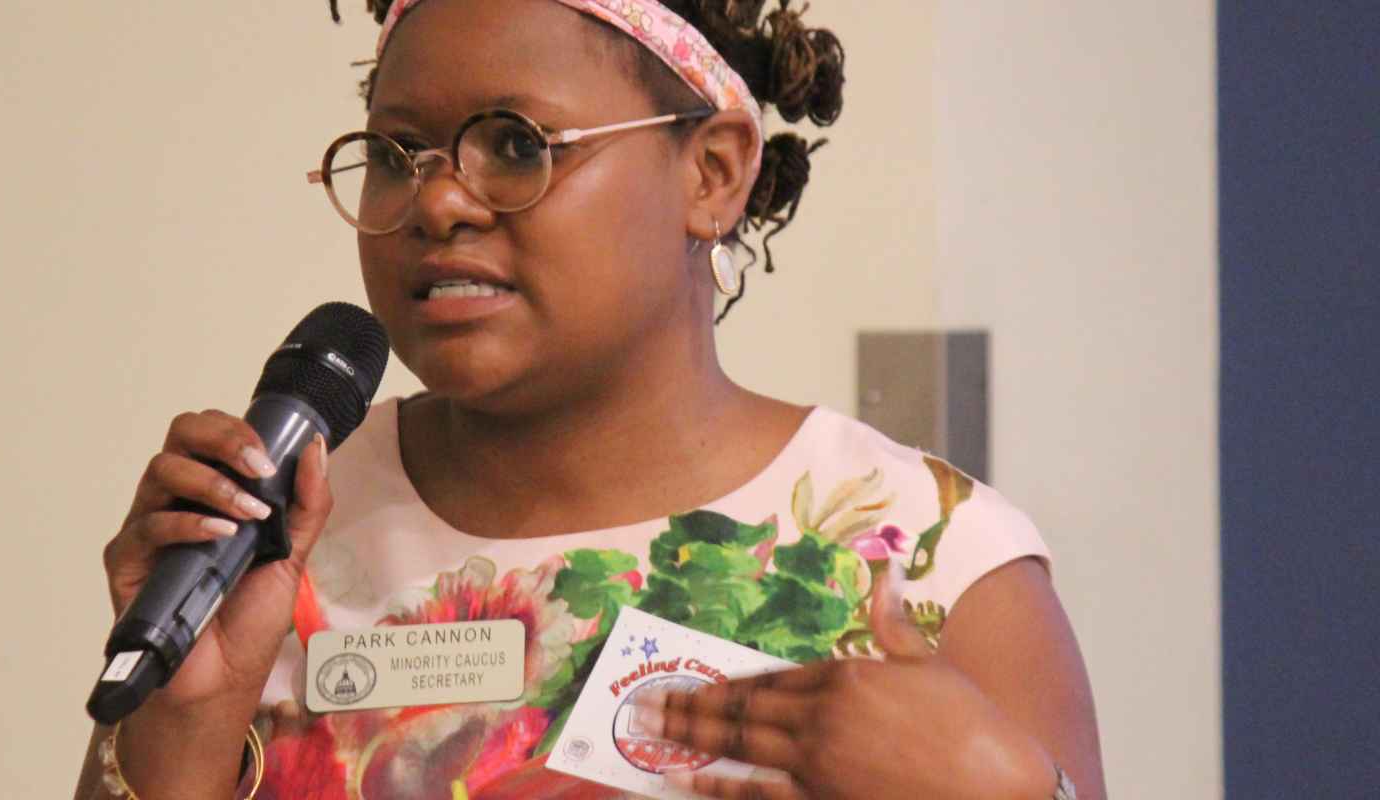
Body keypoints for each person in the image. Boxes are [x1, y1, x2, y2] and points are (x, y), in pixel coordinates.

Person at [74, 1, 1104, 797]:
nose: (435, 200)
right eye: (395, 155)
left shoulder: (933, 561)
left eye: (517, 143)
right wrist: (180, 723)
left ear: (711, 172)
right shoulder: (268, 541)